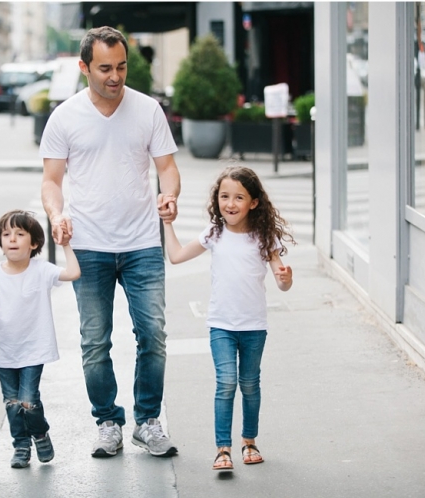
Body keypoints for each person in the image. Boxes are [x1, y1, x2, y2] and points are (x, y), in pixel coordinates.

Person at [39, 26, 181, 458]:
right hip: (89, 245)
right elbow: (50, 181)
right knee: (95, 340)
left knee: (153, 334)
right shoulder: (64, 117)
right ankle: (107, 422)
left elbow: (168, 168)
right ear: (84, 67)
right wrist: (56, 214)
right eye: (105, 68)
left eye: (121, 66)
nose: (116, 76)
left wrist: (169, 195)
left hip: (141, 243)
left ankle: (149, 421)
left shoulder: (148, 110)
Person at [162, 166, 294, 471]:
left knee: (249, 384)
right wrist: (168, 224)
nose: (230, 203)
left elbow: (282, 282)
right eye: (224, 196)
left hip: (254, 327)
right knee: (226, 383)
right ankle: (223, 449)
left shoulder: (264, 238)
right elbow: (177, 256)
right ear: (216, 200)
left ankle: (249, 442)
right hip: (221, 324)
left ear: (254, 203)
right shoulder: (214, 234)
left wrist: (287, 278)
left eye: (238, 197)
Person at [0, 210, 81, 468]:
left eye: (20, 234)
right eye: (6, 234)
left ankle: (40, 433)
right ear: (0, 242)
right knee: (12, 403)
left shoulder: (41, 270)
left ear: (33, 244)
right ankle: (21, 446)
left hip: (34, 349)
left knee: (29, 402)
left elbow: (73, 273)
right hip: (4, 352)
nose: (12, 238)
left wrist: (65, 245)